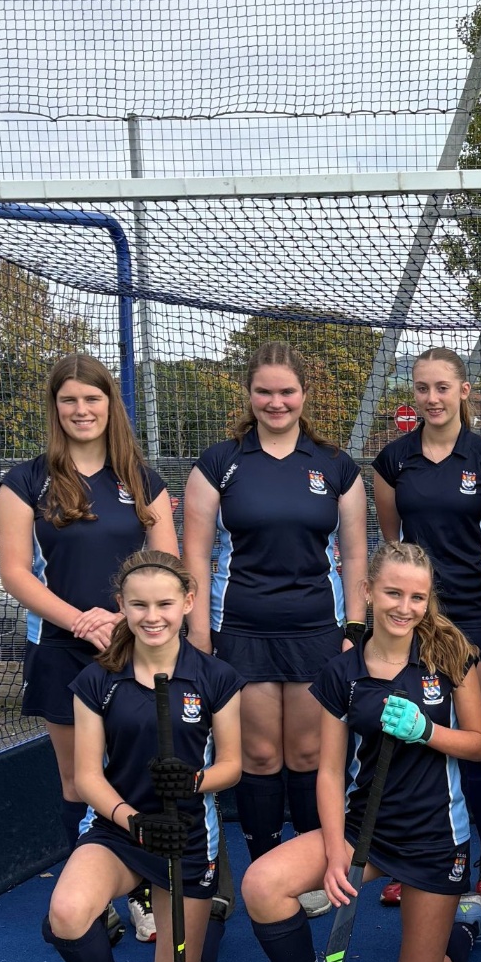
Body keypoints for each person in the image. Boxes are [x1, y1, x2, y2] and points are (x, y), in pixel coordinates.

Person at [241, 541, 481, 962]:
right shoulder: (342, 672)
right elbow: (330, 772)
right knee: (262, 883)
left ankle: (465, 924)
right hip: (364, 830)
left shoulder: (449, 656)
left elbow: (480, 744)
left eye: (417, 597)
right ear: (368, 591)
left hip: (436, 837)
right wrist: (336, 852)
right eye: (393, 593)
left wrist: (427, 731)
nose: (405, 607)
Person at [0, 353, 180, 945]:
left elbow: (167, 565)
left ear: (110, 405)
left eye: (92, 398)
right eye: (69, 400)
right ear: (55, 408)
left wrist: (123, 619)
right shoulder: (25, 482)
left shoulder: (142, 480)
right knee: (79, 782)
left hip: (136, 648)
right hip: (61, 648)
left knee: (137, 775)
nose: (81, 410)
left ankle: (140, 889)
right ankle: (93, 898)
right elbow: (15, 572)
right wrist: (80, 622)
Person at [181, 341, 368, 903]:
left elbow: (357, 554)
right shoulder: (219, 463)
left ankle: (310, 873)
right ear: (249, 393)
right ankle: (265, 871)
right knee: (260, 756)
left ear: (304, 394)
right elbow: (196, 555)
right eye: (264, 391)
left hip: (317, 631)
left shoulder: (335, 466)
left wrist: (354, 629)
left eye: (287, 391)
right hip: (241, 630)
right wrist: (199, 633)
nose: (276, 402)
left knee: (310, 755)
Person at [43, 550, 242, 962]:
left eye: (164, 604)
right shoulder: (97, 680)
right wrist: (132, 822)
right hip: (120, 830)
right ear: (121, 606)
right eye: (139, 605)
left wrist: (194, 781)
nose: (153, 617)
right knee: (66, 913)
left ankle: (213, 913)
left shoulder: (215, 676)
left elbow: (233, 767)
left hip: (188, 837)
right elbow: (87, 777)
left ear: (188, 603)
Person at [372, 346, 481, 904]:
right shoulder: (393, 460)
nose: (431, 398)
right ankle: (411, 856)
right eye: (422, 388)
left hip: (478, 614)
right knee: (416, 733)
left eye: (442, 387)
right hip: (415, 618)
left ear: (463, 391)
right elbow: (393, 544)